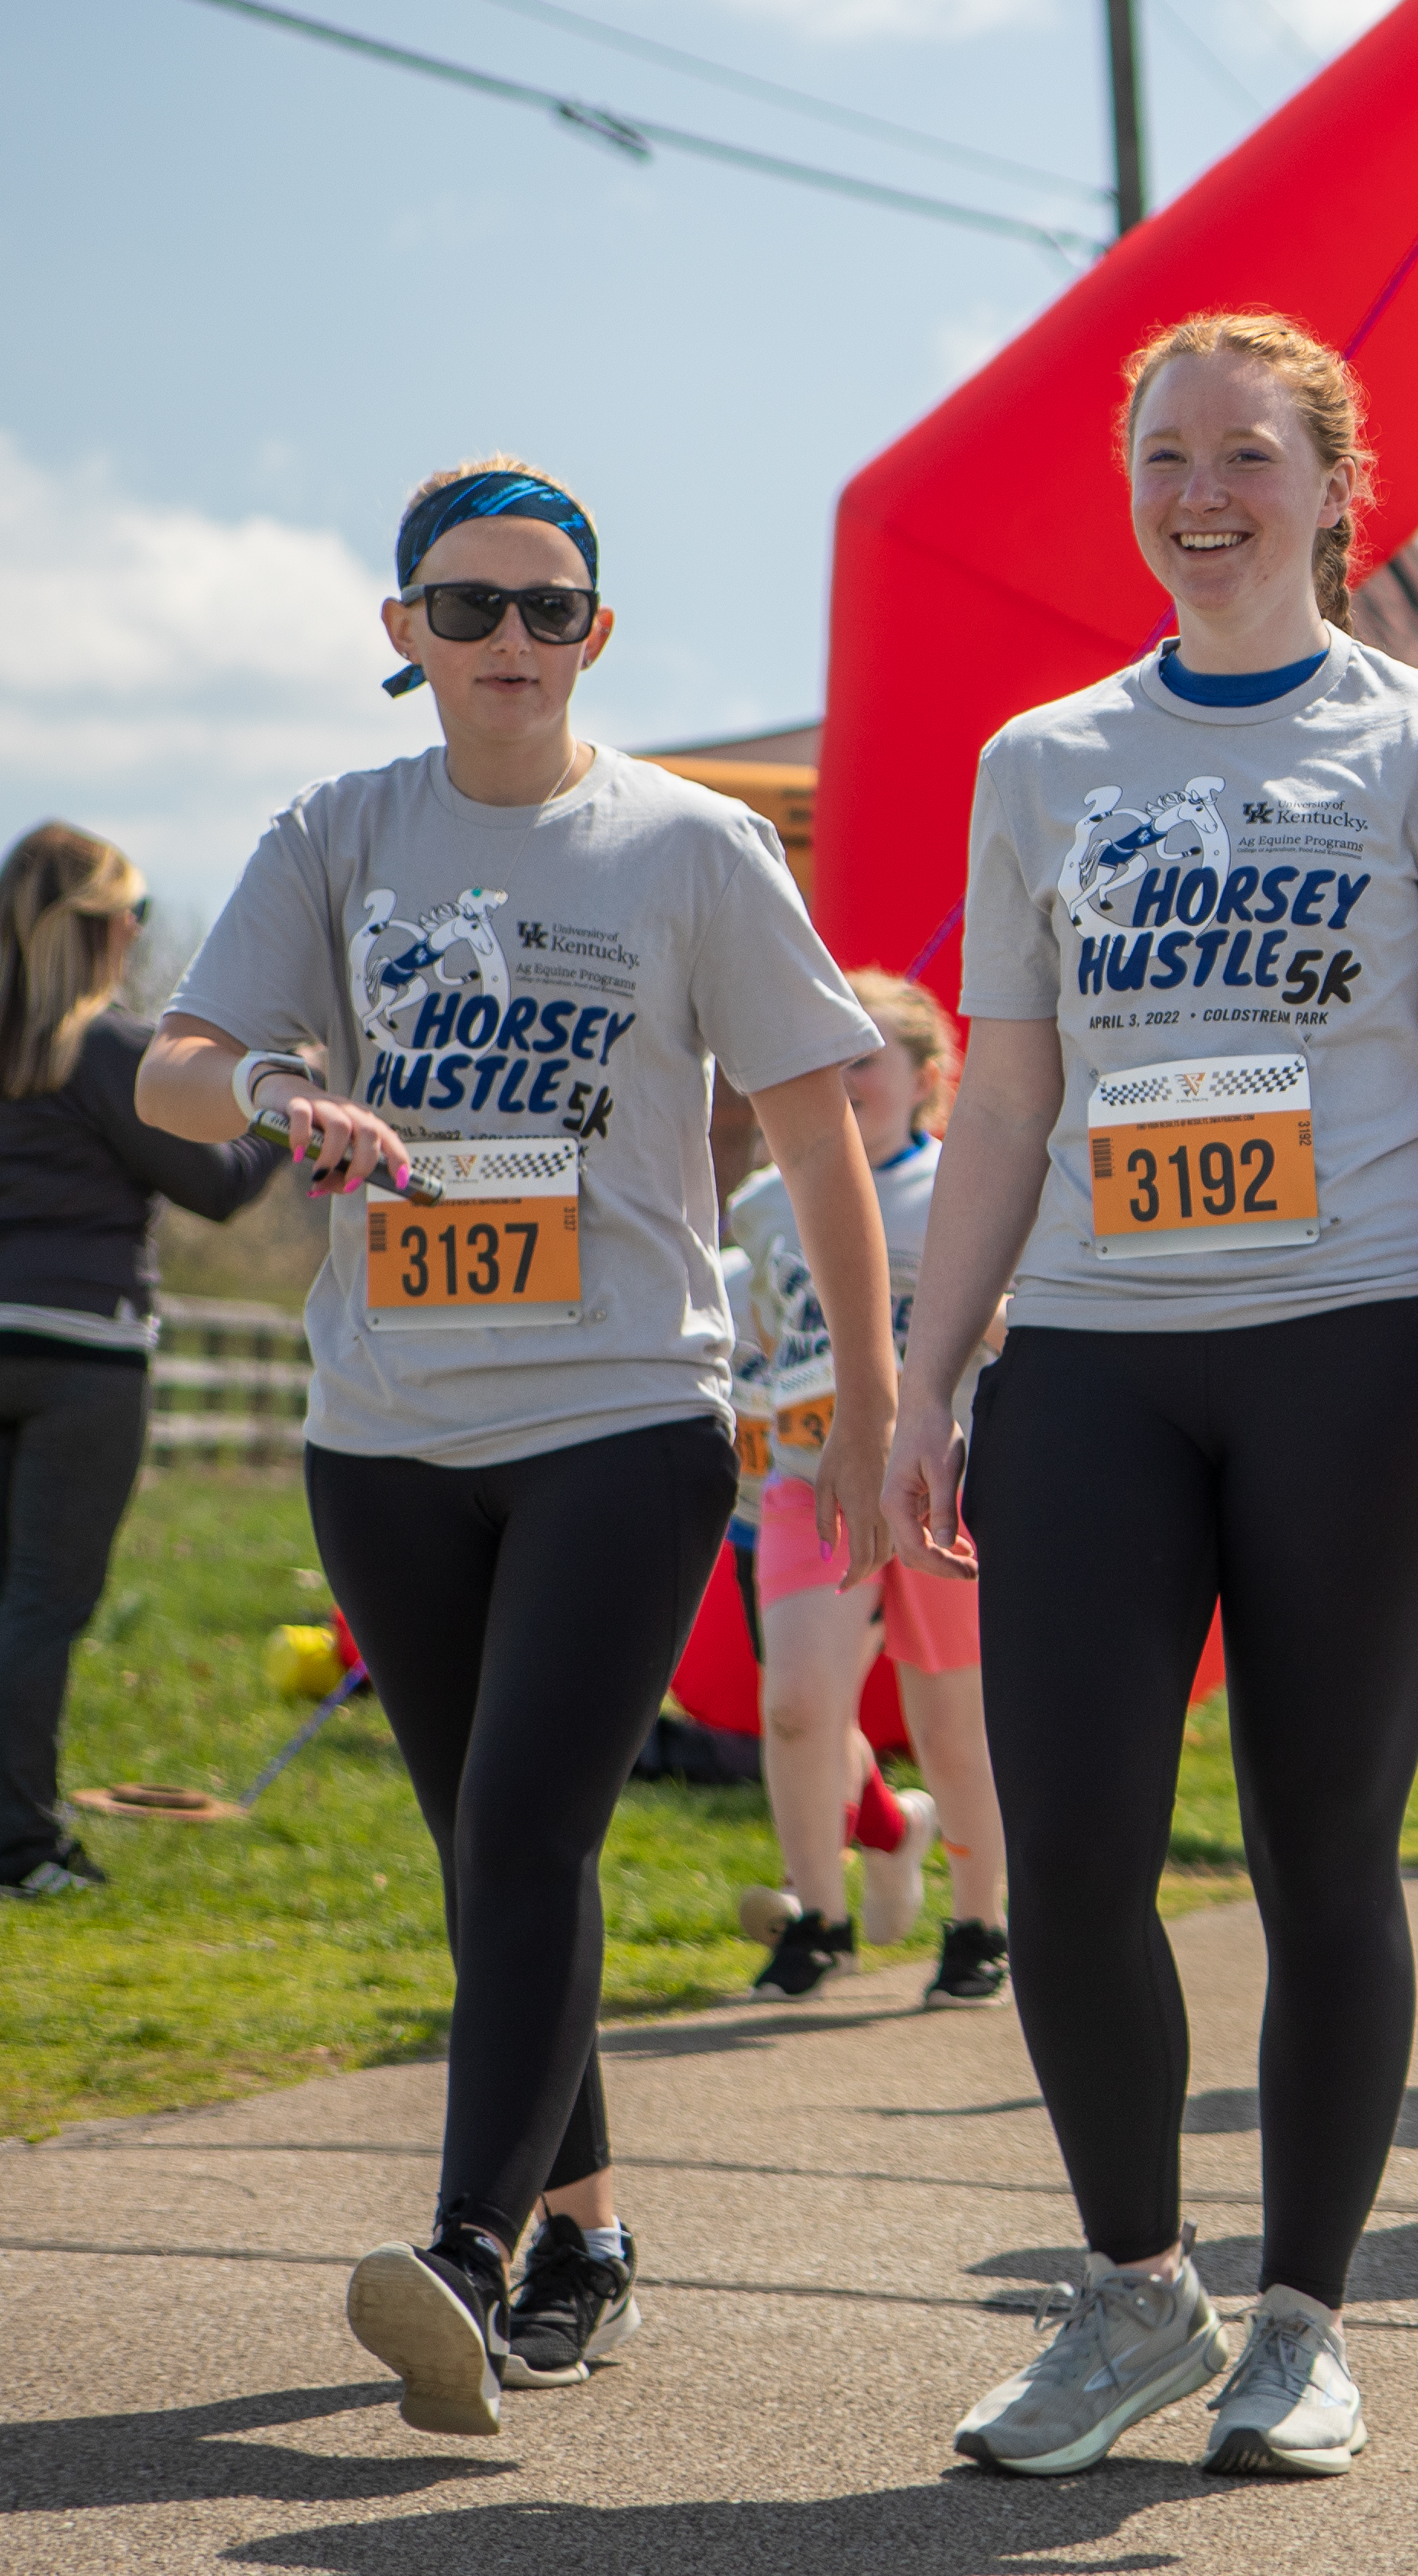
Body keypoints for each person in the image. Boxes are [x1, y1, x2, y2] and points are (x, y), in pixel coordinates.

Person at [141, 458, 900, 2432]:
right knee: (489, 1859)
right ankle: (593, 2238)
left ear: (597, 635)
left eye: (546, 609)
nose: (507, 643)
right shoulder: (339, 835)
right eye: (465, 609)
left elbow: (824, 1129)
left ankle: (467, 2255)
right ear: (402, 634)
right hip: (385, 1434)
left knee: (531, 1826)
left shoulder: (695, 850)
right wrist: (287, 1086)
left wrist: (883, 1406)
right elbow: (174, 1061)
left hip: (626, 1412)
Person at [885, 312, 1418, 2482]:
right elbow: (1000, 1097)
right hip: (1094, 1352)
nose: (1202, 494)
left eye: (1247, 456)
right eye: (1165, 456)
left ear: (1332, 485)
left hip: (1366, 1340)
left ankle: (1305, 2322)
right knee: (1072, 1852)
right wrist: (928, 1372)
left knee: (1319, 1849)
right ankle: (1132, 2299)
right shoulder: (1040, 762)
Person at [0, 824, 279, 1895]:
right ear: (102, 929)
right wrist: (282, 1105)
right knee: (47, 1599)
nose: (140, 932)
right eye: (135, 914)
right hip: (82, 1350)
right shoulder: (112, 1051)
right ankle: (23, 1848)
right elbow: (215, 1184)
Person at [732, 971, 1009, 2003]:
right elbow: (764, 1339)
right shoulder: (765, 1203)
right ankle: (820, 1919)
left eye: (864, 1062)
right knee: (800, 1707)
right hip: (812, 1481)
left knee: (949, 1722)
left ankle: (979, 1921)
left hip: (942, 1482)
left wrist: (966, 1307)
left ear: (926, 1079)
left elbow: (1018, 1330)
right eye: (825, 1059)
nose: (842, 1082)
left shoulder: (964, 1186)